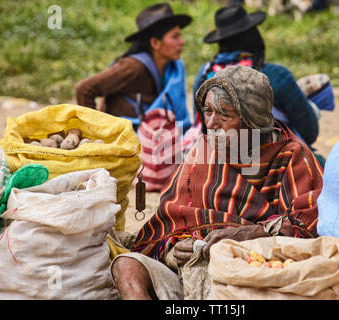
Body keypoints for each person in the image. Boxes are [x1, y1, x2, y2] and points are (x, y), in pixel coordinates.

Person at [110, 65, 324, 300]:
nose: (211, 123)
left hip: (251, 272)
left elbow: (309, 228)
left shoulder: (292, 156)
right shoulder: (204, 152)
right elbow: (170, 221)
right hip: (186, 268)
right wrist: (175, 245)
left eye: (224, 114)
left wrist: (251, 234)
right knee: (127, 266)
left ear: (252, 118)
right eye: (208, 111)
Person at [192, 4, 319, 147]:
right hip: (267, 156)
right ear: (254, 36)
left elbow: (200, 125)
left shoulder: (205, 74)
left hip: (214, 155)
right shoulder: (276, 76)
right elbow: (309, 132)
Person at [74, 3, 192, 133]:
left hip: (153, 139)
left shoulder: (173, 68)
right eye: (175, 37)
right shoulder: (133, 67)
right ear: (155, 43)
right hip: (121, 139)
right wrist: (93, 131)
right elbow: (84, 89)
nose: (182, 42)